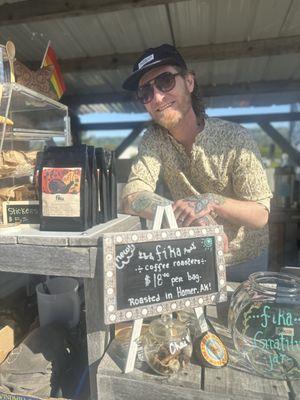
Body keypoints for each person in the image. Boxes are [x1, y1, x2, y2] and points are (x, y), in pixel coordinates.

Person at [121, 43, 272, 282]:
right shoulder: (154, 139)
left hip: (245, 262)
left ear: (189, 82)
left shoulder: (236, 138)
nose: (157, 97)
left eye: (165, 81)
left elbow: (260, 215)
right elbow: (132, 196)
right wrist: (191, 214)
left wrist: (210, 201)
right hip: (193, 257)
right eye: (145, 92)